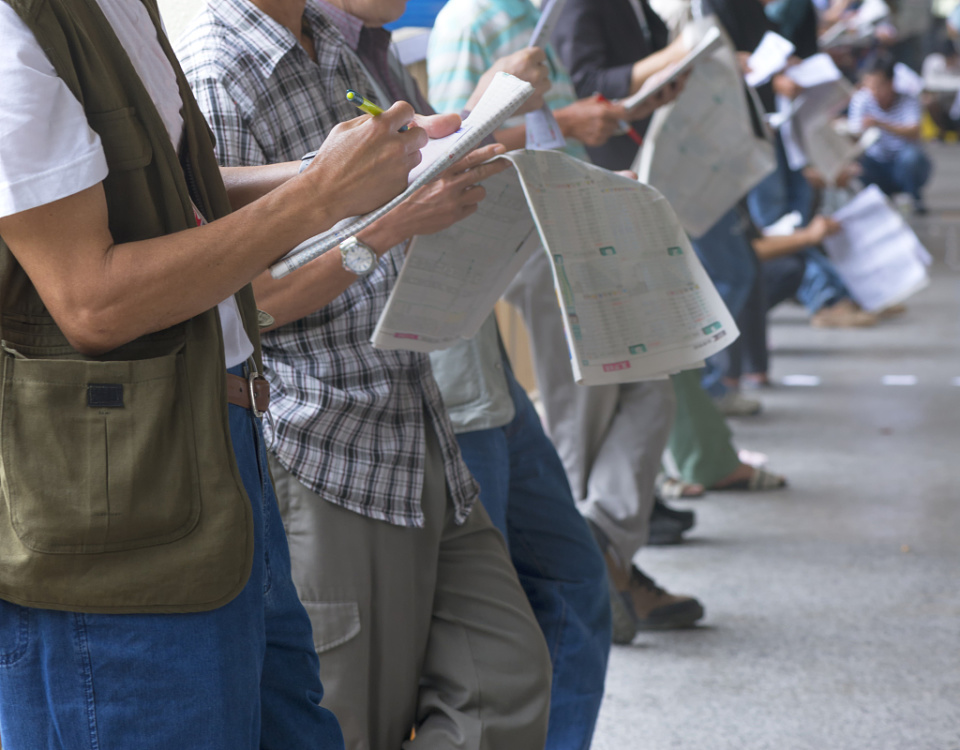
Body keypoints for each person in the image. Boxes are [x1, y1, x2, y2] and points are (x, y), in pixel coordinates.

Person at [0, 0, 439, 746]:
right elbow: (93, 301)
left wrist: (326, 174)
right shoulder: (17, 31)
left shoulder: (119, 10)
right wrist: (318, 197)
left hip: (222, 449)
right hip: (120, 509)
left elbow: (180, 206)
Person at [178, 1, 557, 749]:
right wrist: (389, 228)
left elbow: (393, 190)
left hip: (414, 414)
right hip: (326, 442)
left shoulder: (332, 47)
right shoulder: (216, 70)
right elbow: (241, 305)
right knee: (351, 722)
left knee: (506, 681)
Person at [429, 0, 706, 646]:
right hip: (522, 231)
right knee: (582, 409)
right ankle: (581, 583)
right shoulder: (472, 20)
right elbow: (447, 153)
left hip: (570, 217)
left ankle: (600, 553)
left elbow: (551, 120)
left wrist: (605, 117)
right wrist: (572, 122)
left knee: (648, 380)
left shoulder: (533, 14)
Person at [849, 49, 933, 213]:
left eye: (879, 86)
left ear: (891, 83)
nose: (874, 92)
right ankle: (876, 199)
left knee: (912, 157)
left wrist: (881, 123)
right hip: (876, 162)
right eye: (870, 86)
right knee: (855, 162)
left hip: (902, 162)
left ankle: (913, 196)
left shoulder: (907, 99)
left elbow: (914, 130)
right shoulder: (862, 99)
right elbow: (853, 131)